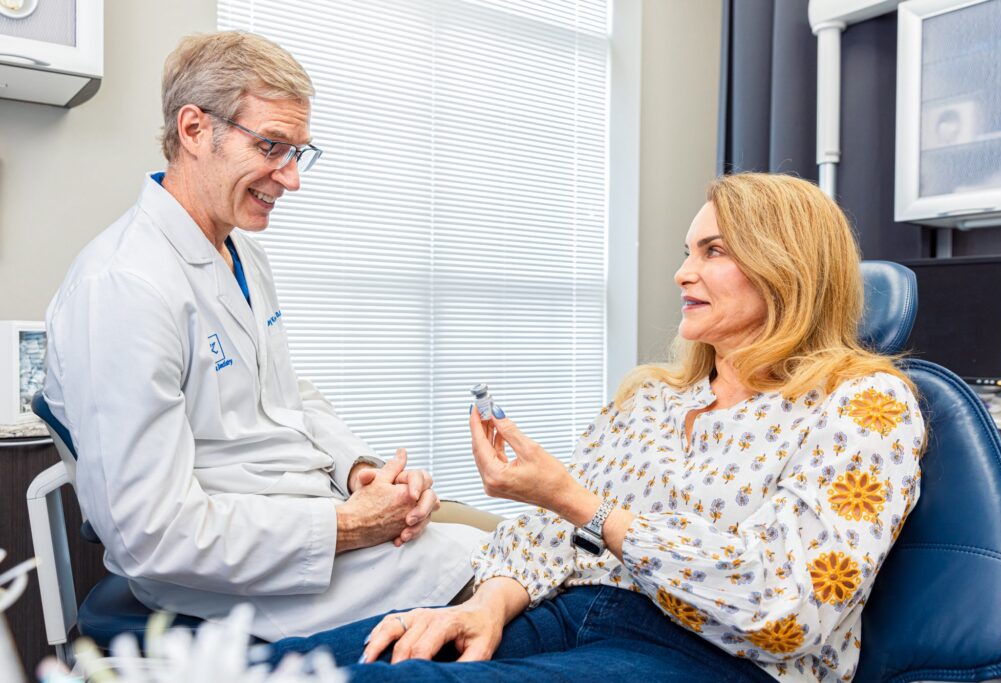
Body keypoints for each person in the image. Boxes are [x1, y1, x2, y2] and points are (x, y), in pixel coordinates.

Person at [265, 172, 927, 682]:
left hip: (718, 659)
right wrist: (487, 604)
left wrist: (581, 502)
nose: (682, 271)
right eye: (686, 250)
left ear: (787, 267)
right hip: (567, 612)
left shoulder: (864, 405)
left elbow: (787, 606)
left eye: (712, 251)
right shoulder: (652, 397)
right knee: (295, 661)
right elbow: (552, 535)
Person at [42, 31, 485, 641]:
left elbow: (284, 399)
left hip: (303, 514)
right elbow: (150, 533)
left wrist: (357, 470)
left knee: (513, 545)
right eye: (272, 146)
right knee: (513, 572)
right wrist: (350, 526)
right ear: (194, 130)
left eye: (298, 152)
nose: (291, 178)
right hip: (231, 574)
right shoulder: (123, 286)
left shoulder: (242, 255)